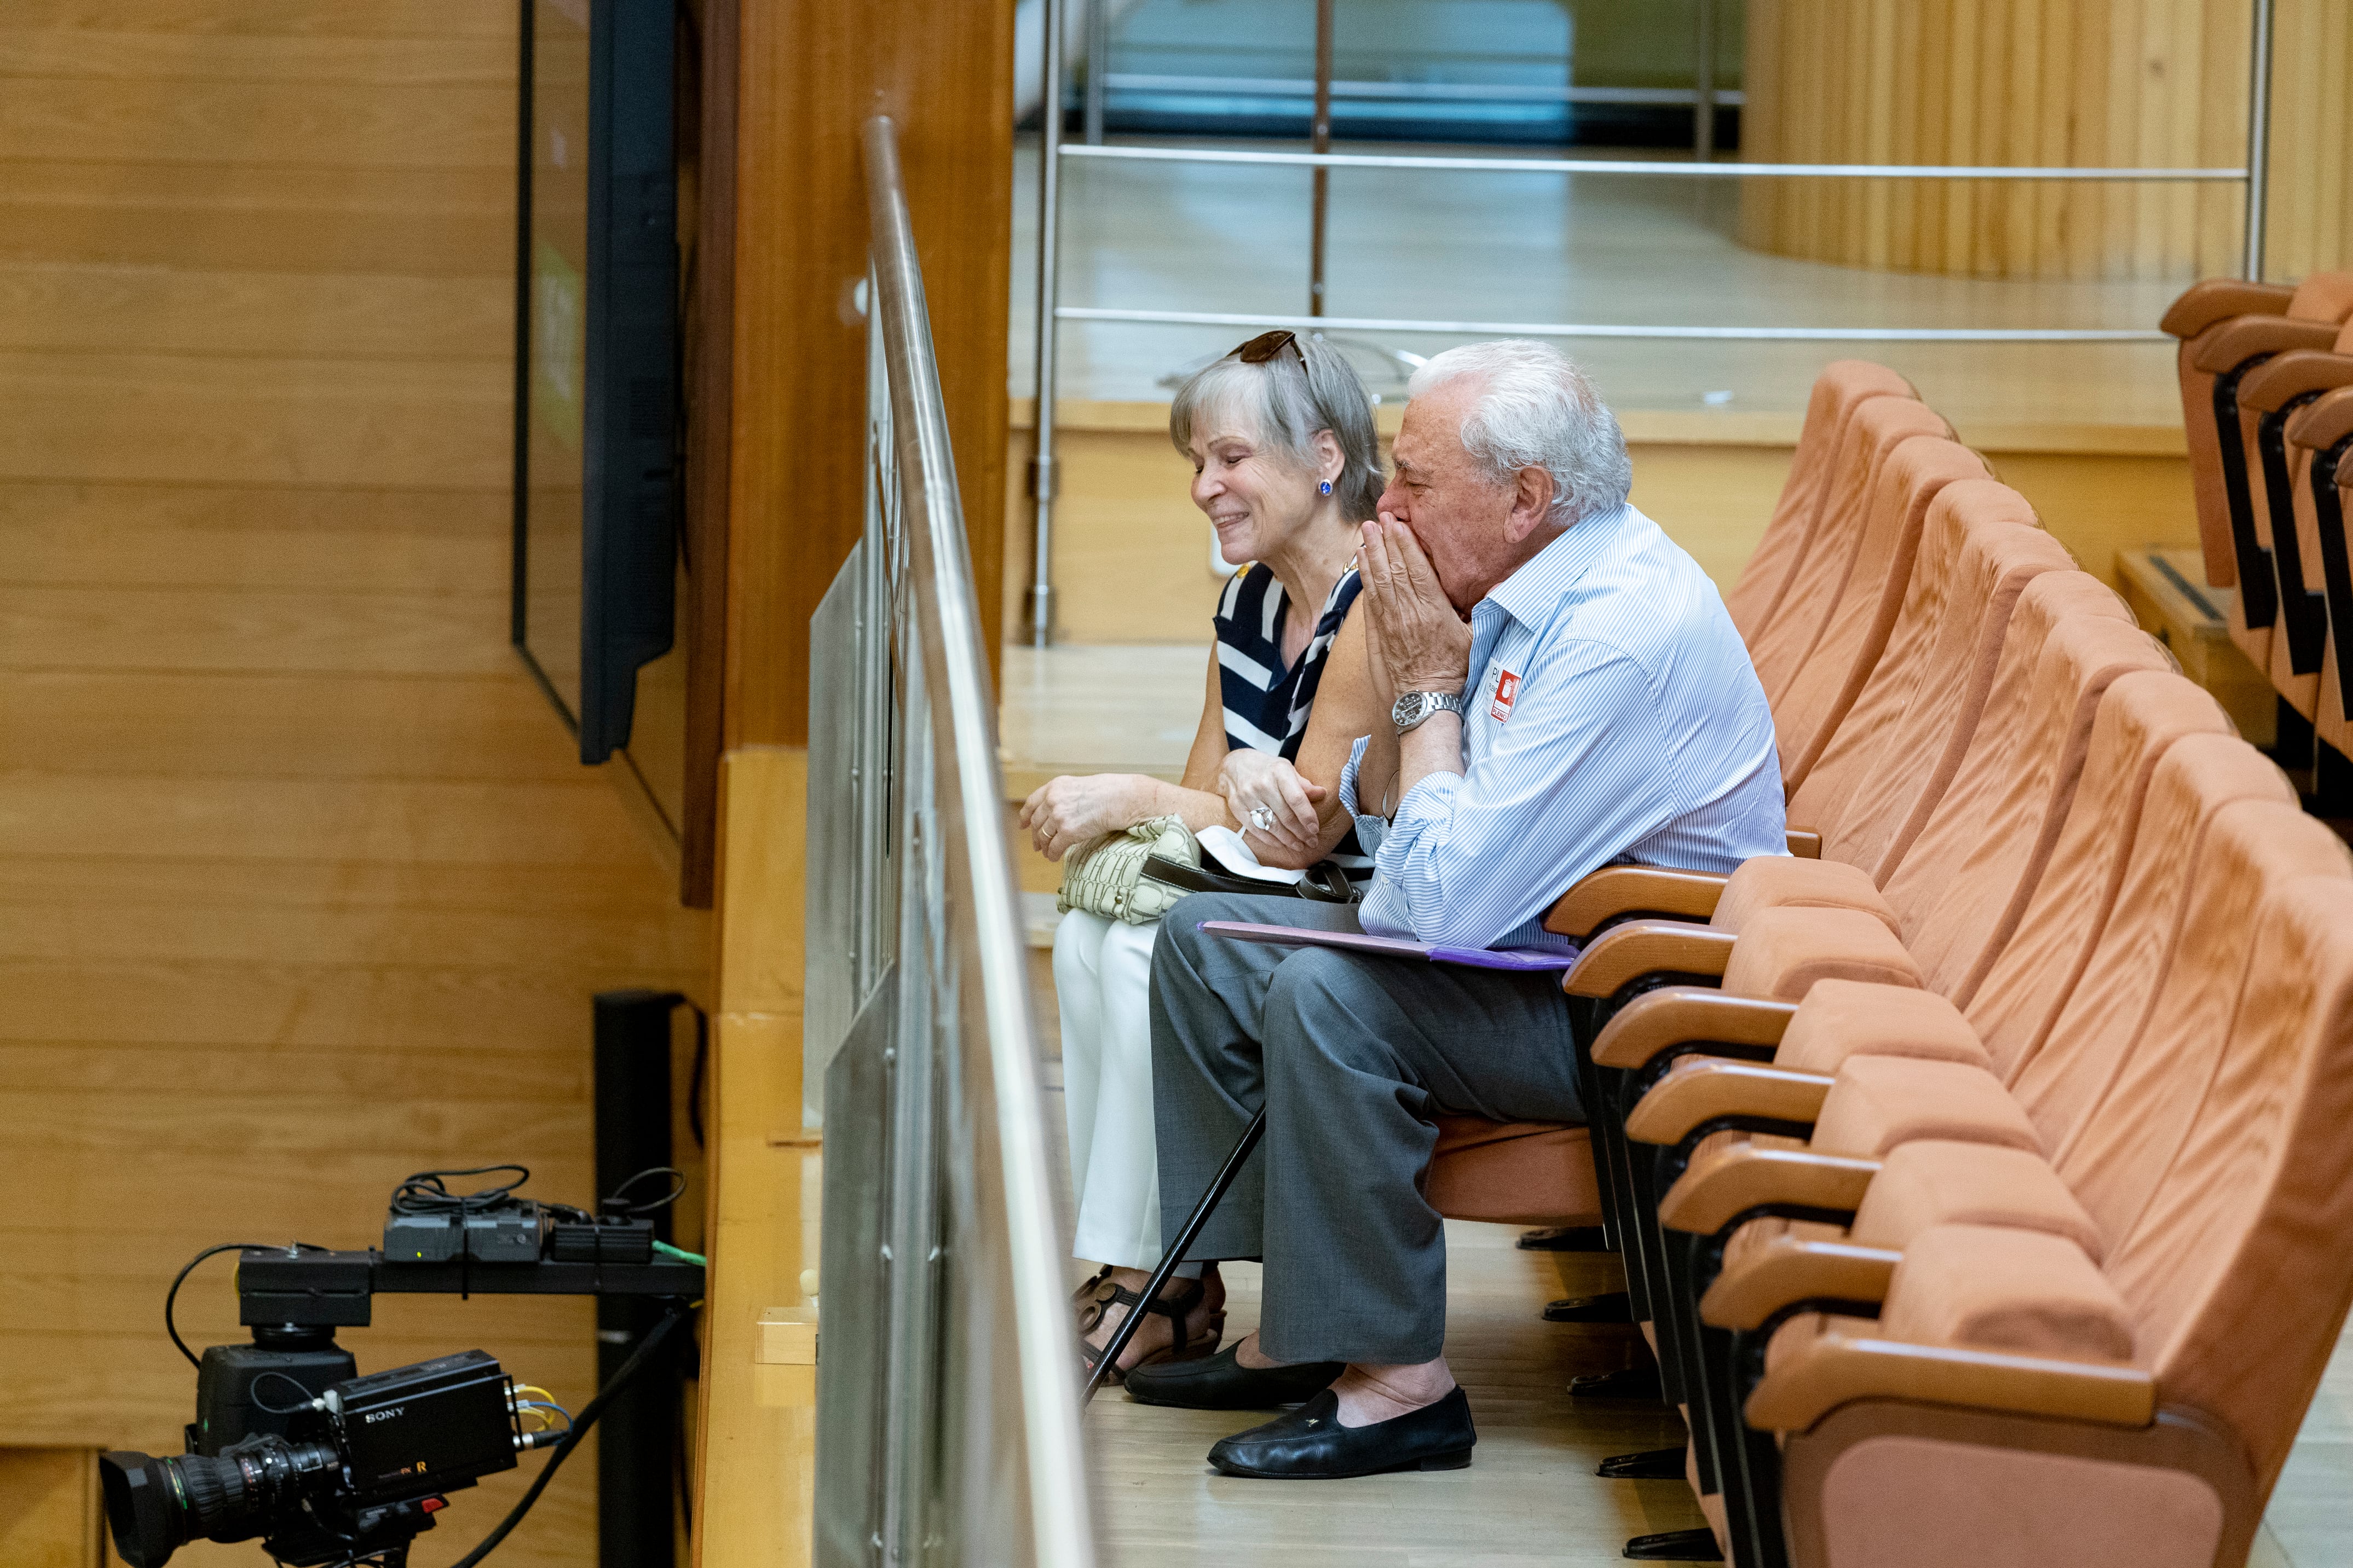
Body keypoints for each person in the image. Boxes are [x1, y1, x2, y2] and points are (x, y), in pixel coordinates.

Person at [1123, 340, 1787, 1478]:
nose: (1385, 501)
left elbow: (1435, 910)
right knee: (1206, 945)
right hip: (1538, 944)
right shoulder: (1513, 583)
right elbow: (1396, 826)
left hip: (1639, 1010)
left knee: (1331, 994)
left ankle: (1398, 1384)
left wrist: (1426, 684)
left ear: (1527, 497)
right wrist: (1397, 682)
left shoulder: (1616, 632)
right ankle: (1300, 1325)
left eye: (1418, 482)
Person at [1018, 331, 1387, 1385]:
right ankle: (1143, 1264)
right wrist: (1160, 804)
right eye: (1196, 462)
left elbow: (1299, 829)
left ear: (1324, 460)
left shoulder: (1373, 604)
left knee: (1145, 946)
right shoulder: (1248, 600)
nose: (1203, 487)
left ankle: (1168, 1281)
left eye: (1228, 459)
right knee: (1094, 930)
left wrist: (1127, 797)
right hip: (1278, 889)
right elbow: (1207, 810)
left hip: (1362, 913)